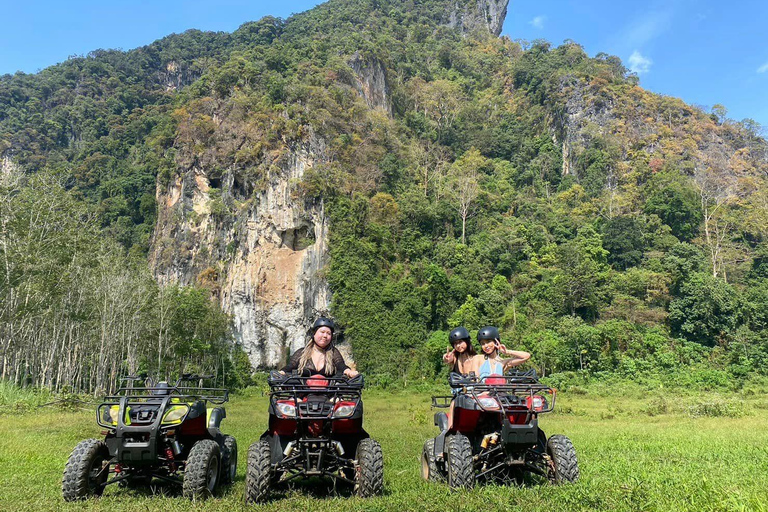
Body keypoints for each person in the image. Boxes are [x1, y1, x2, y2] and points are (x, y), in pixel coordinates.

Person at [280, 317, 359, 378]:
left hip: (328, 395)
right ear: (314, 334)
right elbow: (290, 366)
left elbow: (341, 365)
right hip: (303, 393)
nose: (325, 336)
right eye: (322, 332)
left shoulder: (333, 352)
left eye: (328, 333)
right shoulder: (302, 352)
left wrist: (349, 372)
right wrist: (282, 372)